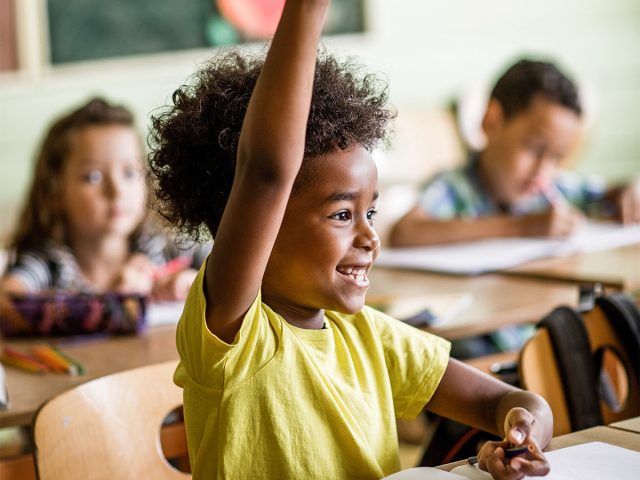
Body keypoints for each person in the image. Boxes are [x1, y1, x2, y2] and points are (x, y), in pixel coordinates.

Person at [148, 1, 553, 478]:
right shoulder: (236, 337)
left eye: (371, 212)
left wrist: (522, 435)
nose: (370, 236)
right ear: (261, 222)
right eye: (342, 214)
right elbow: (265, 172)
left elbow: (514, 401)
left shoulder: (368, 337)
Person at [390, 58, 640, 248]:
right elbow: (406, 232)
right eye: (534, 148)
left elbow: (608, 193)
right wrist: (522, 226)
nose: (544, 169)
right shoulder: (455, 188)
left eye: (557, 156)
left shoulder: (552, 189)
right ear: (491, 122)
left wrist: (624, 193)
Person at [0, 98, 205, 300]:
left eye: (130, 173)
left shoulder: (169, 249)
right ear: (54, 192)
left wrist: (195, 282)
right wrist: (109, 302)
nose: (117, 191)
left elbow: (230, 266)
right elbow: (6, 302)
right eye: (93, 176)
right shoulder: (48, 264)